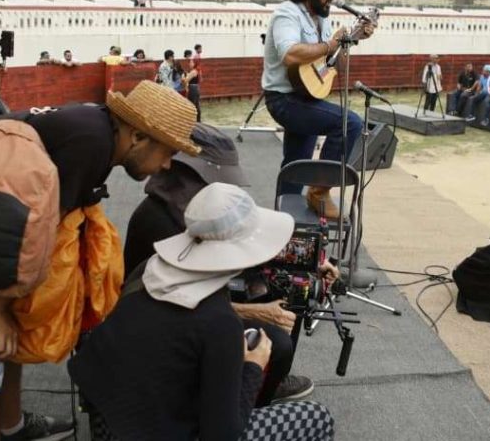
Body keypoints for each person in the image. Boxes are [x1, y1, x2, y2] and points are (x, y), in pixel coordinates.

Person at [0, 81, 201, 441]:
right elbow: (35, 242)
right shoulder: (92, 145)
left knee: (13, 320)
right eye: (168, 151)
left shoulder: (98, 130)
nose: (168, 164)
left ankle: (11, 427)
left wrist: (7, 307)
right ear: (138, 136)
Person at [70, 182, 336, 441]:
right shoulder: (219, 324)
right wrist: (253, 367)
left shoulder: (150, 270)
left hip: (107, 422)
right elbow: (221, 434)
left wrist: (312, 264)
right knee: (316, 416)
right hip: (159, 431)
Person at [123, 124, 338, 407]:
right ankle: (248, 398)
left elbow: (245, 238)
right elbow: (172, 307)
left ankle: (266, 378)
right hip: (166, 325)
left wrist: (311, 261)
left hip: (198, 303)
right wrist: (254, 312)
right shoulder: (161, 221)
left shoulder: (194, 204)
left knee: (291, 286)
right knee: (276, 341)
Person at [262, 0, 375, 219]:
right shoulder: (287, 14)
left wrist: (351, 41)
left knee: (295, 166)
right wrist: (330, 45)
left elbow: (335, 65)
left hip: (308, 96)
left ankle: (280, 222)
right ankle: (320, 191)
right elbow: (290, 54)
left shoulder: (322, 20)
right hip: (284, 99)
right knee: (350, 123)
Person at [183, 49, 202, 121]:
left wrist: (183, 77)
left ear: (194, 63)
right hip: (196, 88)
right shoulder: (196, 70)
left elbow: (185, 80)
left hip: (192, 89)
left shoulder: (193, 71)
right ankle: (198, 120)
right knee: (196, 105)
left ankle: (193, 121)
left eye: (191, 62)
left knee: (192, 105)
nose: (189, 63)